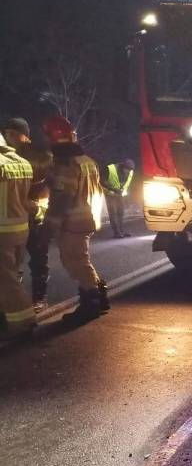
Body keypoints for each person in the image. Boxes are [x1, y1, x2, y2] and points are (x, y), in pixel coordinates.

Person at [43, 116, 109, 326]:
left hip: (73, 222)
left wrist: (48, 227)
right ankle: (100, 297)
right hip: (87, 219)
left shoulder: (66, 164)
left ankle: (91, 305)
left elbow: (62, 199)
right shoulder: (87, 160)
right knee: (82, 260)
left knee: (76, 262)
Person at [2, 117, 53, 311]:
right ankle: (16, 300)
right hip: (15, 220)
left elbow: (51, 185)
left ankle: (39, 298)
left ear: (26, 136)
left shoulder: (42, 158)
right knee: (13, 265)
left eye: (14, 134)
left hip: (36, 218)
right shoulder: (6, 158)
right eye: (7, 134)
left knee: (39, 260)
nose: (10, 137)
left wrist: (37, 206)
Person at [0, 132, 36, 340]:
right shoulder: (23, 163)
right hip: (20, 229)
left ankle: (23, 321)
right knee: (12, 274)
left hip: (2, 232)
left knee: (7, 280)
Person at [101, 157, 134, 238]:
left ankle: (121, 231)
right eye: (127, 169)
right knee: (113, 213)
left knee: (121, 213)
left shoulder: (130, 171)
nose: (128, 172)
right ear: (123, 166)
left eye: (130, 170)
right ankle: (117, 233)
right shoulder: (110, 169)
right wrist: (113, 189)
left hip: (120, 195)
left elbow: (126, 183)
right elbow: (101, 181)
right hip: (110, 195)